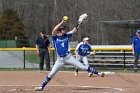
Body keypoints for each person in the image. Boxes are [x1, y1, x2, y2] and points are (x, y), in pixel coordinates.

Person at [35, 18, 104, 91]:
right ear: (59, 31)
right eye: (63, 29)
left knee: (83, 67)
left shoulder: (67, 35)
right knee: (51, 74)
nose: (64, 30)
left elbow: (74, 30)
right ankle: (41, 87)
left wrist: (79, 24)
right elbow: (54, 30)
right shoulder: (55, 37)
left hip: (69, 57)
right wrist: (62, 22)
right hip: (59, 60)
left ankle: (98, 73)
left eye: (64, 29)